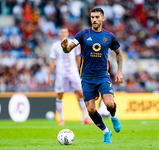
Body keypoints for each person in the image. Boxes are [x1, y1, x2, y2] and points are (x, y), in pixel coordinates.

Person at [61, 7, 123, 144]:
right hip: (87, 78)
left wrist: (119, 71)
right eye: (92, 17)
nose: (94, 19)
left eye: (97, 17)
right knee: (90, 109)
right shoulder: (83, 35)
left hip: (102, 75)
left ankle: (113, 116)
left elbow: (119, 53)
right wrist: (64, 47)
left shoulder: (109, 37)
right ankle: (106, 131)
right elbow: (68, 49)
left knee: (109, 103)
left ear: (102, 19)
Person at [48, 27, 93, 126]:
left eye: (65, 32)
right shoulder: (55, 46)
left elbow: (78, 58)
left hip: (73, 72)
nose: (63, 33)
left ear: (68, 33)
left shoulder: (74, 43)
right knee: (60, 95)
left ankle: (85, 117)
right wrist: (49, 76)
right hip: (61, 72)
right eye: (62, 32)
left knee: (81, 93)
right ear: (59, 33)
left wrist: (81, 71)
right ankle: (61, 118)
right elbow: (52, 61)